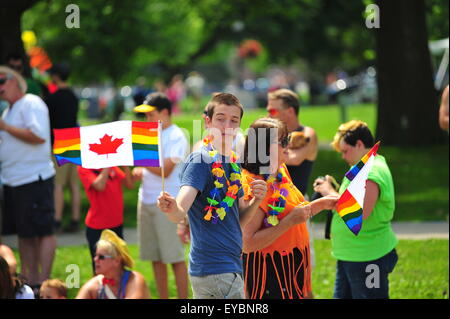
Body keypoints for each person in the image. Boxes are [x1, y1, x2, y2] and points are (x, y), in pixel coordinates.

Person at [158, 93, 268, 299]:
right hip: (215, 270)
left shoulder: (233, 163)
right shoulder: (202, 160)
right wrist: (172, 208)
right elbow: (179, 210)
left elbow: (239, 221)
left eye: (234, 120)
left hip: (230, 266)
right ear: (207, 122)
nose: (227, 125)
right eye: (220, 118)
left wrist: (256, 201)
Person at [240, 117, 338, 299]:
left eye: (288, 138)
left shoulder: (280, 169)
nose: (289, 144)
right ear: (263, 147)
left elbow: (294, 212)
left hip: (293, 262)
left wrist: (321, 204)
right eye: (283, 141)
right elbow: (248, 244)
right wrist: (289, 222)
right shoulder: (253, 185)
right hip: (270, 271)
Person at [313, 120, 398, 299]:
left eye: (345, 151)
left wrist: (329, 192)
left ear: (359, 144)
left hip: (368, 257)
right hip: (353, 254)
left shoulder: (371, 172)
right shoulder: (363, 168)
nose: (343, 156)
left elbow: (360, 213)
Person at [0, 66, 56, 295]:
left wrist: (5, 127)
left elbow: (39, 136)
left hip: (35, 178)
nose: (0, 87)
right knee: (25, 233)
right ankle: (30, 280)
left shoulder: (31, 103)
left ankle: (44, 281)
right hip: (14, 181)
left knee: (42, 231)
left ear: (17, 81)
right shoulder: (8, 111)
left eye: (2, 80)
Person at [132, 92, 189, 299]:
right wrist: (140, 166)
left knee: (174, 258)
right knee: (155, 257)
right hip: (145, 200)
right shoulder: (150, 134)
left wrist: (139, 160)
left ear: (165, 112)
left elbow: (166, 169)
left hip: (168, 203)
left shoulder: (176, 135)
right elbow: (151, 168)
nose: (147, 119)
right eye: (145, 115)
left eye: (150, 114)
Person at [266, 88, 318, 279]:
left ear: (289, 111)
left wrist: (263, 151)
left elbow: (295, 159)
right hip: (272, 206)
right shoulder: (275, 137)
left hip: (297, 206)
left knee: (301, 271)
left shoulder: (307, 134)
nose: (267, 114)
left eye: (272, 110)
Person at [45, 63, 81, 233]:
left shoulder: (52, 98)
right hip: (75, 140)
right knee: (74, 184)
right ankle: (75, 219)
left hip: (59, 141)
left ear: (56, 76)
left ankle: (57, 220)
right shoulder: (73, 96)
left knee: (58, 184)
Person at [78, 166, 134, 273]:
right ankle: (100, 289)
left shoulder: (112, 166)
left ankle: (119, 289)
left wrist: (126, 166)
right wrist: (107, 165)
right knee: (100, 265)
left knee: (119, 264)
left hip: (116, 223)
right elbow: (99, 186)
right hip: (97, 226)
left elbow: (129, 184)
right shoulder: (84, 168)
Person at [76, 229, 150, 299]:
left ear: (117, 261)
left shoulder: (134, 279)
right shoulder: (94, 286)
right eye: (96, 255)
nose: (95, 259)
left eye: (101, 257)